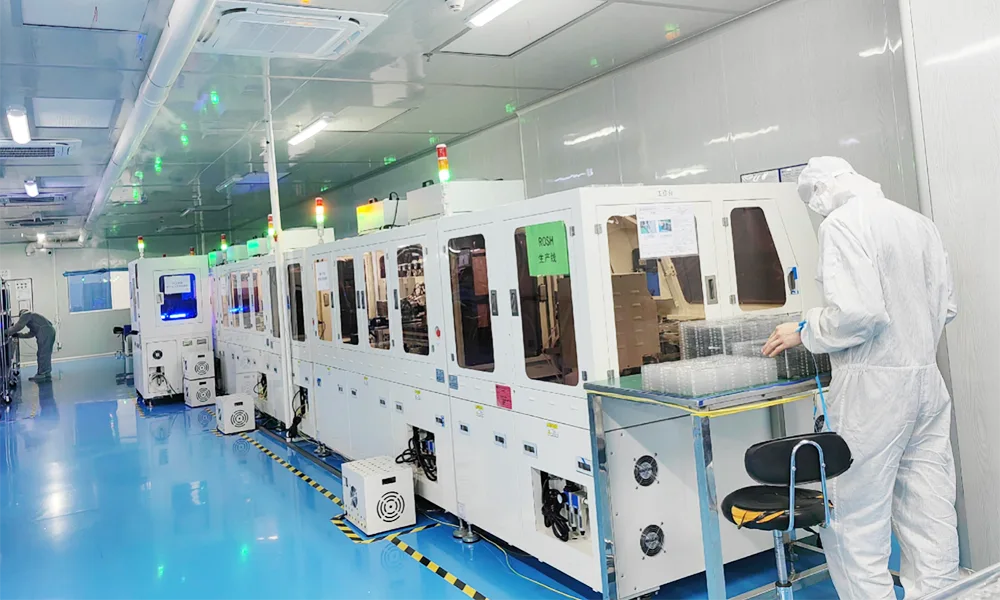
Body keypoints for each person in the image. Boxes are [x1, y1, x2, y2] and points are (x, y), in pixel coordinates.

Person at [762, 157, 959, 599]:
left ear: (822, 190)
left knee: (854, 517)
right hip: (926, 380)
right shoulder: (919, 223)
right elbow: (947, 307)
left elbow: (860, 315)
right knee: (929, 508)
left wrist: (805, 329)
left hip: (873, 390)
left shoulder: (842, 223)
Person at [4, 310, 57, 383]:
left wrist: (6, 332)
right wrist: (18, 335)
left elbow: (19, 326)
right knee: (46, 353)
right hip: (50, 331)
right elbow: (31, 334)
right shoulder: (34, 319)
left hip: (45, 333)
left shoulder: (26, 314)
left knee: (42, 354)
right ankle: (46, 373)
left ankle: (41, 374)